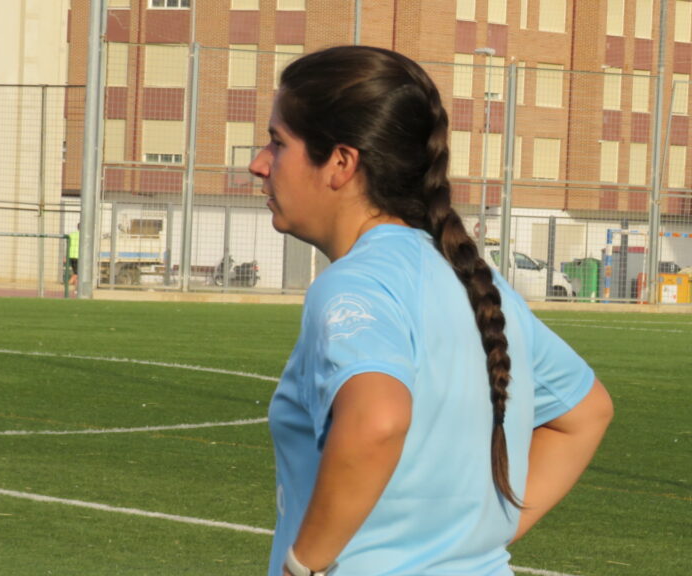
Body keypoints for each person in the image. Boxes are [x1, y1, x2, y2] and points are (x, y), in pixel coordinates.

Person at [248, 45, 613, 576]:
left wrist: (303, 566)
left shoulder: (354, 284)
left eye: (277, 143)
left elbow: (378, 419)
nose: (259, 163)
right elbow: (586, 413)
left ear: (342, 164)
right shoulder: (477, 284)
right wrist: (476, 545)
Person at [67, 223, 80, 287]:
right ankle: (67, 284)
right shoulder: (84, 235)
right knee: (77, 273)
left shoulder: (72, 234)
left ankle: (76, 287)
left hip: (71, 255)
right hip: (78, 255)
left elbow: (68, 244)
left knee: (75, 271)